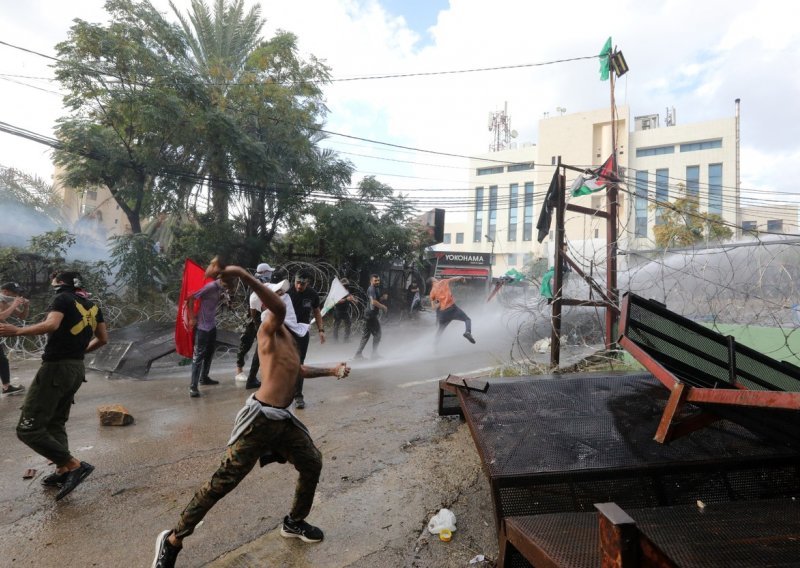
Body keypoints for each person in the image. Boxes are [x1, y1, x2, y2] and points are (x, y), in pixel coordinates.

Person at [151, 265, 350, 568]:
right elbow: (278, 305)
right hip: (258, 422)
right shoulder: (269, 325)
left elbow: (298, 371)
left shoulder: (289, 336)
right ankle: (173, 538)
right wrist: (243, 276)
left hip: (282, 421)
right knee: (223, 482)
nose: (287, 299)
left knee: (312, 462)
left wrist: (333, 369)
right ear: (266, 305)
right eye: (280, 294)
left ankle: (294, 522)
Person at [0, 271, 108, 500]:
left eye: (54, 281)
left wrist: (17, 331)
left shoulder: (62, 299)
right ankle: (63, 470)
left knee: (28, 429)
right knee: (56, 421)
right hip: (77, 369)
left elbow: (51, 324)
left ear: (60, 283)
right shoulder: (93, 305)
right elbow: (103, 339)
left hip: (56, 369)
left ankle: (74, 465)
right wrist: (78, 352)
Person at [185, 255, 230, 398]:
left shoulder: (220, 289)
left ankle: (204, 377)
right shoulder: (210, 287)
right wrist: (192, 317)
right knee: (198, 356)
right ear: (222, 280)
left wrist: (224, 299)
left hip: (211, 326)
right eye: (228, 285)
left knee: (210, 353)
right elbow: (191, 298)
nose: (228, 288)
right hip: (202, 328)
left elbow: (216, 301)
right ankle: (193, 386)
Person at [286, 271, 325, 409]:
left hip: (302, 332)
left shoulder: (312, 294)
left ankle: (298, 396)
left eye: (302, 284)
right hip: (286, 330)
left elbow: (317, 312)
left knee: (299, 363)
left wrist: (321, 330)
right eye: (297, 282)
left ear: (307, 283)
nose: (299, 286)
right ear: (294, 280)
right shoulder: (287, 291)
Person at [235, 263, 274, 381]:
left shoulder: (263, 283)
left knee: (263, 344)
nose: (270, 274)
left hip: (262, 316)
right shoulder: (255, 284)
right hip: (253, 318)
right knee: (245, 343)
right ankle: (239, 371)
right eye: (268, 272)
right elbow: (252, 302)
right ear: (263, 273)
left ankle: (264, 371)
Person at [0, 282, 30, 396]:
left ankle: (6, 387)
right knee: (2, 360)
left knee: (2, 361)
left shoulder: (6, 302)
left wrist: (26, 306)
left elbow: (22, 316)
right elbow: (1, 316)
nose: (16, 295)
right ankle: (6, 386)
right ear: (5, 291)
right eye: (15, 293)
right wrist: (14, 304)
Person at [429, 276, 476, 344]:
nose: (436, 278)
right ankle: (467, 332)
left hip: (443, 313)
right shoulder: (442, 282)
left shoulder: (432, 292)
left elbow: (433, 307)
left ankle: (435, 347)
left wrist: (439, 303)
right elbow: (454, 279)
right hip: (452, 308)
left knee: (440, 331)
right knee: (467, 319)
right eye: (434, 278)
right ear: (433, 280)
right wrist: (462, 277)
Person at [354, 274, 388, 360]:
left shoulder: (376, 288)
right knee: (378, 334)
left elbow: (376, 300)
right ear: (371, 281)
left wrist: (382, 298)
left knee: (366, 336)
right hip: (370, 315)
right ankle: (374, 354)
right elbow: (373, 302)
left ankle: (358, 354)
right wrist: (383, 307)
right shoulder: (371, 289)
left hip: (369, 315)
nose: (377, 282)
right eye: (375, 280)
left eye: (378, 280)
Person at [332, 278, 356, 343]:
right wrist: (346, 299)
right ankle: (335, 340)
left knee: (348, 324)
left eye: (347, 285)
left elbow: (349, 296)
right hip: (338, 310)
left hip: (345, 311)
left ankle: (346, 339)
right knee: (336, 325)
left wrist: (354, 300)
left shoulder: (347, 290)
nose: (346, 287)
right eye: (345, 286)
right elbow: (335, 301)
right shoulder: (337, 291)